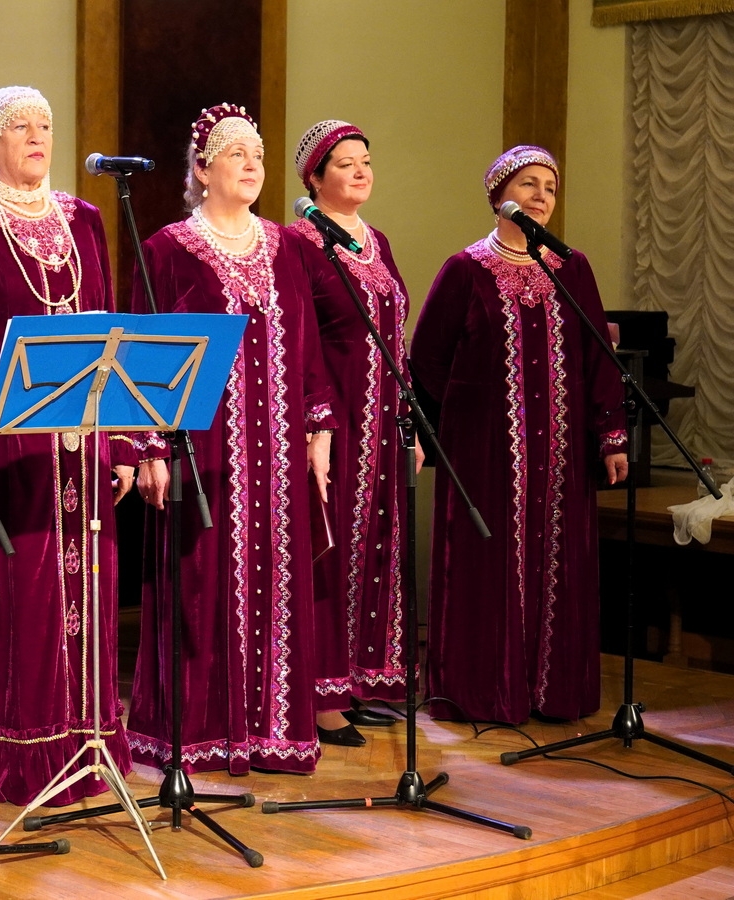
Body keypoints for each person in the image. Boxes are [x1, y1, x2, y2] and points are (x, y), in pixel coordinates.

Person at [0, 86, 154, 806]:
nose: (36, 136)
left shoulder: (86, 217)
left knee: (89, 589)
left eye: (45, 125)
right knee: (20, 602)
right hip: (7, 446)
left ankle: (87, 745)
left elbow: (112, 330)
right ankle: (15, 751)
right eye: (19, 125)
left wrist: (122, 442)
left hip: (82, 444)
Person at [126, 104, 334, 776]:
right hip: (203, 450)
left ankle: (272, 732)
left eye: (258, 154)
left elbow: (307, 349)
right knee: (200, 580)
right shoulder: (166, 249)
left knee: (278, 578)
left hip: (278, 449)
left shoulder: (288, 247)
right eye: (236, 153)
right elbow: (143, 357)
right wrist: (149, 448)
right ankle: (202, 732)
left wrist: (318, 431)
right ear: (202, 168)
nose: (252, 164)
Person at [410, 145, 627, 725]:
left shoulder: (571, 268)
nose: (540, 196)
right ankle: (483, 692)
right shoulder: (466, 269)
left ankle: (552, 693)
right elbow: (426, 357)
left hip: (561, 453)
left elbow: (598, 357)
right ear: (499, 194)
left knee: (556, 565)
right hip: (485, 455)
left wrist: (611, 433)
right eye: (528, 183)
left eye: (550, 188)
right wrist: (462, 417)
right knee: (488, 567)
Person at [290, 120, 421, 746]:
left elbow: (396, 337)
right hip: (332, 418)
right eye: (345, 163)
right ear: (315, 178)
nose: (361, 171)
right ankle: (321, 696)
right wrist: (314, 421)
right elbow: (299, 338)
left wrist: (411, 423)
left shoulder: (378, 240)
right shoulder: (300, 243)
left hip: (384, 423)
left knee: (375, 550)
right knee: (332, 549)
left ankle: (360, 681)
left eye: (366, 160)